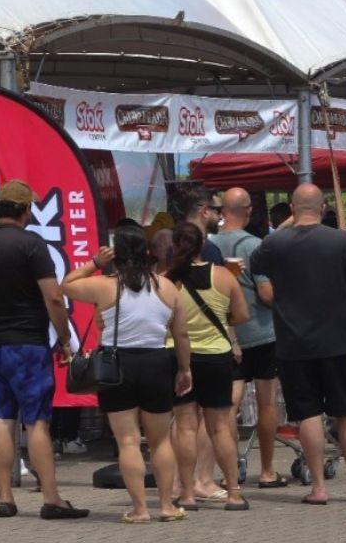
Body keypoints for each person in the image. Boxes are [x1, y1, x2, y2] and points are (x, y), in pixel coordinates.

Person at [0, 180, 88, 520]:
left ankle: (4, 497)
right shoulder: (32, 245)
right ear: (26, 209)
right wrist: (63, 337)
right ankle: (51, 498)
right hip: (28, 345)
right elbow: (54, 297)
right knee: (37, 423)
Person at [249, 184, 346, 505]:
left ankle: (318, 487)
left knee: (308, 414)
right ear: (323, 208)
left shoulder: (275, 243)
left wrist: (289, 223)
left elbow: (254, 263)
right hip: (339, 341)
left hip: (293, 343)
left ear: (291, 207)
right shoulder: (341, 241)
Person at [62, 223, 192, 523]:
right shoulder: (167, 287)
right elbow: (182, 335)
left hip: (116, 365)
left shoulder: (105, 285)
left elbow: (66, 285)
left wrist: (95, 262)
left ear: (115, 255)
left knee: (128, 441)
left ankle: (140, 509)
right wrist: (184, 369)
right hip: (156, 362)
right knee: (160, 441)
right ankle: (167, 506)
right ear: (147, 253)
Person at [166, 223, 251, 511]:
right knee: (219, 428)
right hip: (217, 356)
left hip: (179, 358)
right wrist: (220, 321)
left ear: (175, 246)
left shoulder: (167, 280)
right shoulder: (223, 276)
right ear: (202, 244)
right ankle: (235, 493)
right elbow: (241, 314)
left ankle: (187, 493)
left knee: (186, 427)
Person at [210, 187, 285, 488]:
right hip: (262, 331)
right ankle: (267, 470)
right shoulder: (256, 246)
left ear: (221, 210)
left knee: (230, 404)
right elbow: (267, 294)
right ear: (250, 211)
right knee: (267, 402)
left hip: (225, 334)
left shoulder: (209, 246)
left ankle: (230, 474)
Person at [170, 182, 225, 264]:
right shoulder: (209, 250)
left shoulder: (167, 243)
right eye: (218, 210)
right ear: (205, 211)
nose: (221, 216)